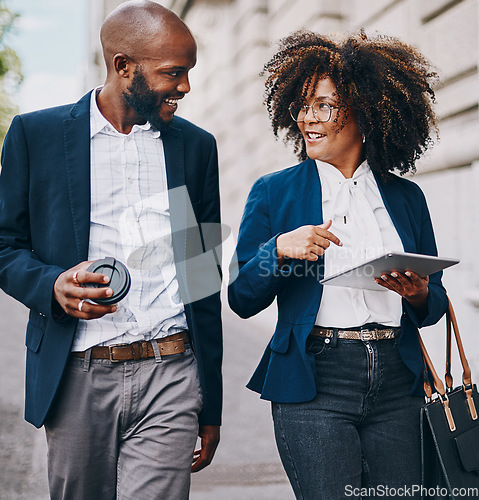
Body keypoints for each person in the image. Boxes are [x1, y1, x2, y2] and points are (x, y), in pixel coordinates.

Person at [0, 1, 222, 498]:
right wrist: (52, 284)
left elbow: (202, 275)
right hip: (79, 372)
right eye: (173, 72)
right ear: (124, 67)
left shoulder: (196, 148)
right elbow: (4, 246)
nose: (185, 86)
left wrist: (212, 404)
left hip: (172, 368)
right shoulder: (35, 137)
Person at [228, 30, 448, 499]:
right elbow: (241, 298)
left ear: (366, 110)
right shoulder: (274, 192)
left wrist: (419, 293)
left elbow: (435, 305)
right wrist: (278, 250)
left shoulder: (406, 198)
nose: (309, 118)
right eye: (303, 106)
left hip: (397, 380)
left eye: (324, 106)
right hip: (317, 379)